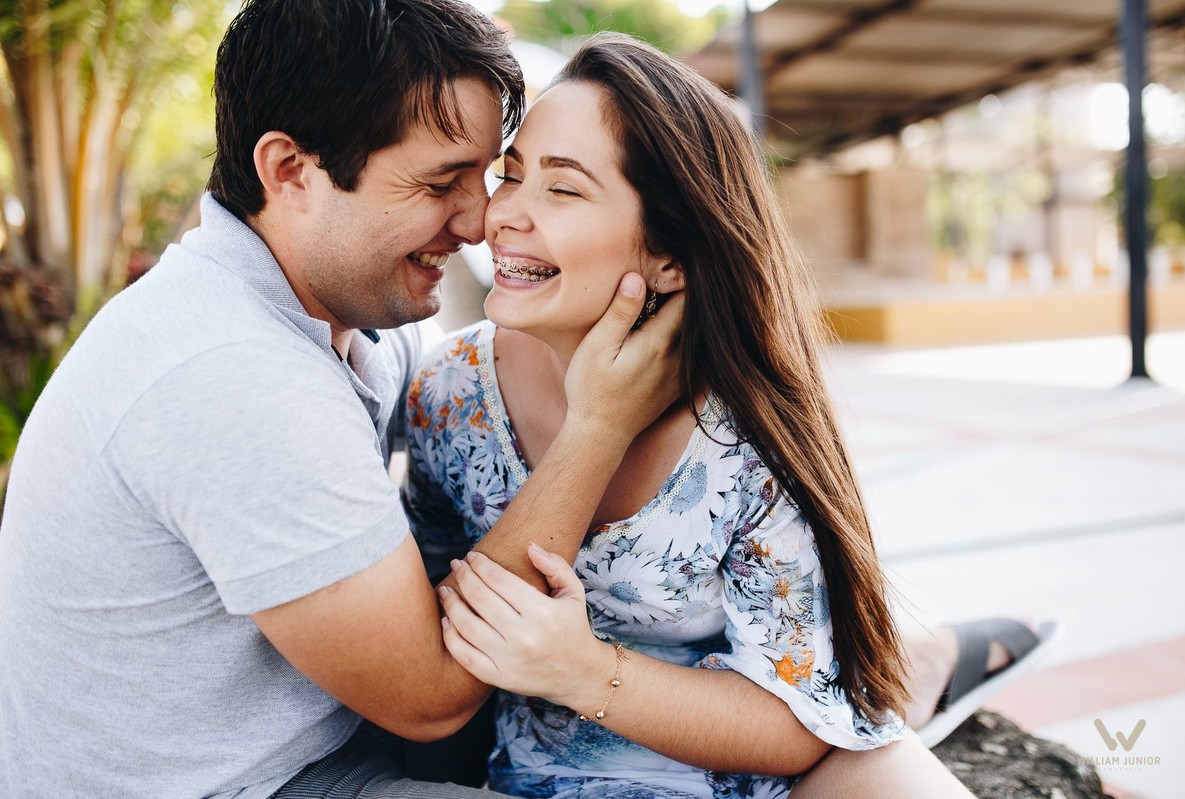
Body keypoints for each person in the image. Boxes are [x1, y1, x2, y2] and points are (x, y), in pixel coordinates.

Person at [0, 3, 686, 797]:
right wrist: (600, 424)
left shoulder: (344, 315)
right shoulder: (228, 375)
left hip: (327, 751)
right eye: (439, 183)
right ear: (291, 170)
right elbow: (428, 697)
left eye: (485, 175)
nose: (479, 222)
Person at [405, 34, 986, 797]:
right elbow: (425, 625)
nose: (505, 214)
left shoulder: (742, 431)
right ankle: (941, 653)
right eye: (510, 176)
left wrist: (585, 670)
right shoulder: (450, 394)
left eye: (563, 189)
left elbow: (799, 719)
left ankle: (944, 654)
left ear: (670, 253)